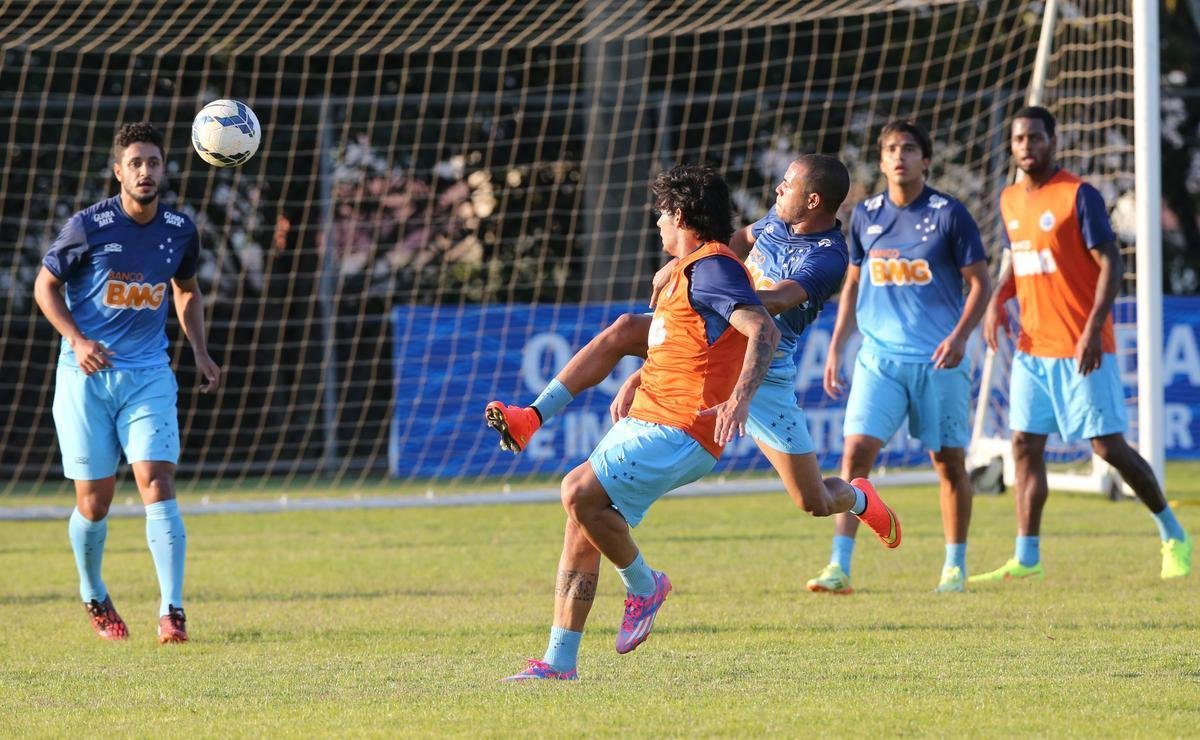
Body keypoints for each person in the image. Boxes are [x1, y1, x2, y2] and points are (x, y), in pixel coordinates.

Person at [486, 155, 901, 615]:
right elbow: (727, 245)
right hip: (712, 344)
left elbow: (776, 303)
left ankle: (860, 497)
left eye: (787, 185)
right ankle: (532, 415)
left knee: (814, 500)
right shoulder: (775, 220)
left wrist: (704, 291)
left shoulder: (828, 256)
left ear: (814, 201)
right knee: (625, 329)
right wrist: (689, 266)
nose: (778, 190)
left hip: (764, 370)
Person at [497, 163, 779, 681]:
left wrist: (741, 397)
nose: (656, 225)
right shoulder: (688, 269)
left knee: (578, 489)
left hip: (683, 426)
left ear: (679, 215)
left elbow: (761, 329)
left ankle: (646, 586)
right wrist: (641, 373)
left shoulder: (713, 269)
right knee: (582, 525)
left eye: (661, 215)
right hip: (652, 414)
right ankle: (560, 661)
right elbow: (688, 342)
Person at [971, 106, 1191, 583]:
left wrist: (1093, 329)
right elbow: (1018, 262)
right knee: (1024, 445)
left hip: (1080, 346)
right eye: (1019, 139)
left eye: (1035, 137)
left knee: (1108, 447)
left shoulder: (1078, 195)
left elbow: (1111, 263)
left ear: (1053, 141)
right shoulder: (1009, 199)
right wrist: (996, 302)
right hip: (1032, 349)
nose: (1026, 146)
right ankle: (1026, 555)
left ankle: (1172, 532)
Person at [34, 122, 222, 643]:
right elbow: (44, 287)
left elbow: (186, 293)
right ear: (118, 171)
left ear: (164, 169)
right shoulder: (87, 226)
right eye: (135, 163)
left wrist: (201, 351)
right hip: (85, 378)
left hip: (148, 374)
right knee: (94, 502)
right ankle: (93, 592)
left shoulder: (180, 230)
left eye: (154, 162)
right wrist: (75, 338)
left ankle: (172, 611)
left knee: (156, 483)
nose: (146, 171)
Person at [807, 121, 991, 595]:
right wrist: (836, 345)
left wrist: (959, 337)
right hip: (879, 359)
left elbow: (980, 284)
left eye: (909, 148)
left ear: (925, 160)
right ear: (882, 159)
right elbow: (851, 285)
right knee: (856, 452)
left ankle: (954, 566)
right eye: (890, 149)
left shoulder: (950, 214)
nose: (899, 156)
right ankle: (838, 566)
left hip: (938, 361)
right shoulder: (866, 215)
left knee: (948, 461)